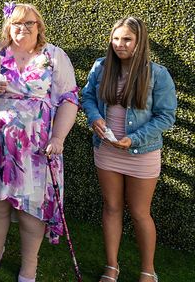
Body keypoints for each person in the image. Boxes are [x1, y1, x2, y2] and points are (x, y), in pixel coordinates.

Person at [0, 2, 79, 282]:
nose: (23, 28)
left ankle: (29, 263)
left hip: (37, 151)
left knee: (32, 209)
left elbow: (69, 98)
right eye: (16, 23)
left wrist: (58, 137)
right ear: (8, 26)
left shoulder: (54, 56)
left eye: (29, 23)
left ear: (39, 26)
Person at [82, 17, 176, 282]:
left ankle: (148, 271)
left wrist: (134, 139)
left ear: (139, 42)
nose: (119, 44)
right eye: (116, 38)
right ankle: (112, 267)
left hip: (142, 153)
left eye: (127, 39)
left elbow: (166, 116)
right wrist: (94, 118)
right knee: (111, 207)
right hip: (107, 150)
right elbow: (87, 96)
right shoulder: (101, 67)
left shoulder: (158, 74)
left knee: (139, 212)